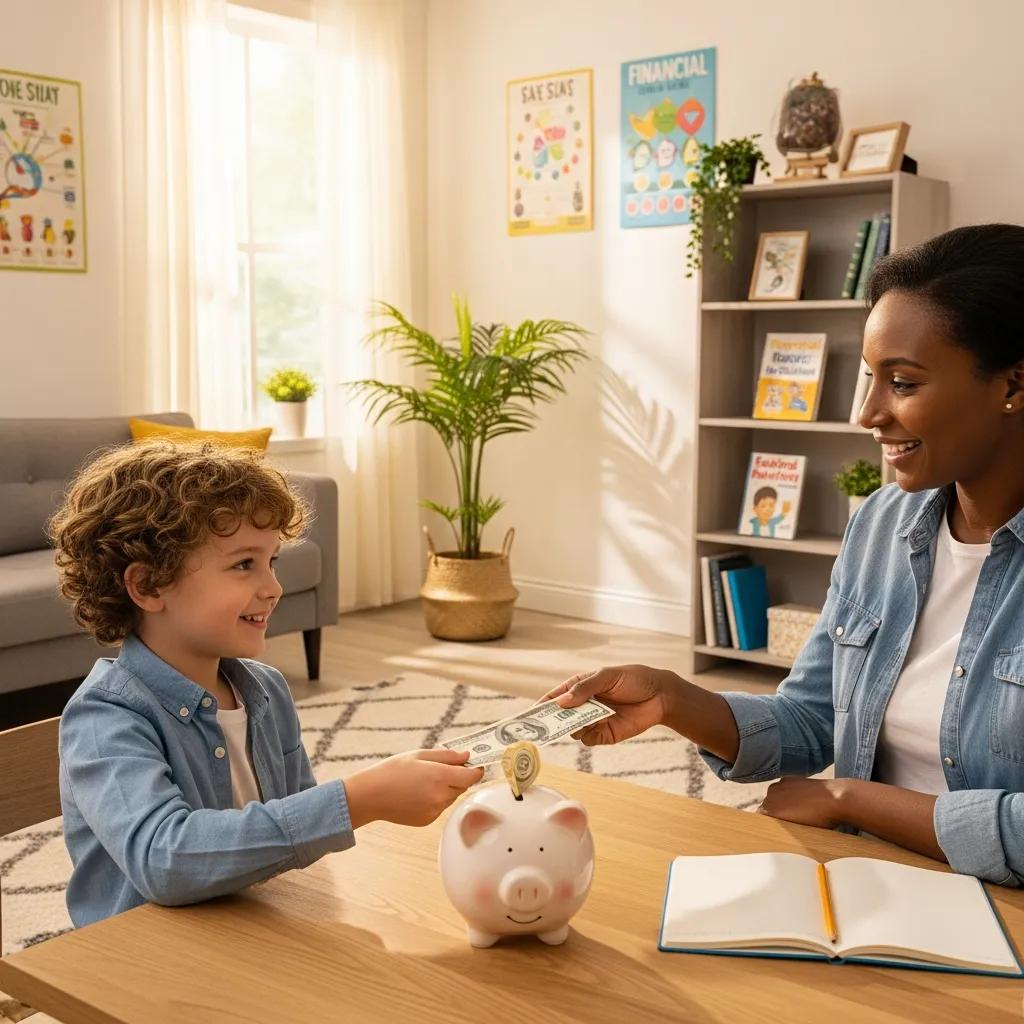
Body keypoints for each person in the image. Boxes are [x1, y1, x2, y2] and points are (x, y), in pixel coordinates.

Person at [543, 224, 1024, 887]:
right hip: (863, 878)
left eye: (903, 383)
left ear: (1014, 384)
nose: (867, 413)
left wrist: (847, 799)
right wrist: (669, 697)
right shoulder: (883, 527)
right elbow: (810, 720)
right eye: (868, 379)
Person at [52, 441, 482, 927]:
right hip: (144, 965)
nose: (273, 586)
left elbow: (296, 836)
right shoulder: (104, 718)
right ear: (149, 586)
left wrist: (370, 802)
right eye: (243, 564)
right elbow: (164, 859)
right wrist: (361, 798)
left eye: (272, 561)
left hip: (254, 932)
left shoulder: (265, 691)